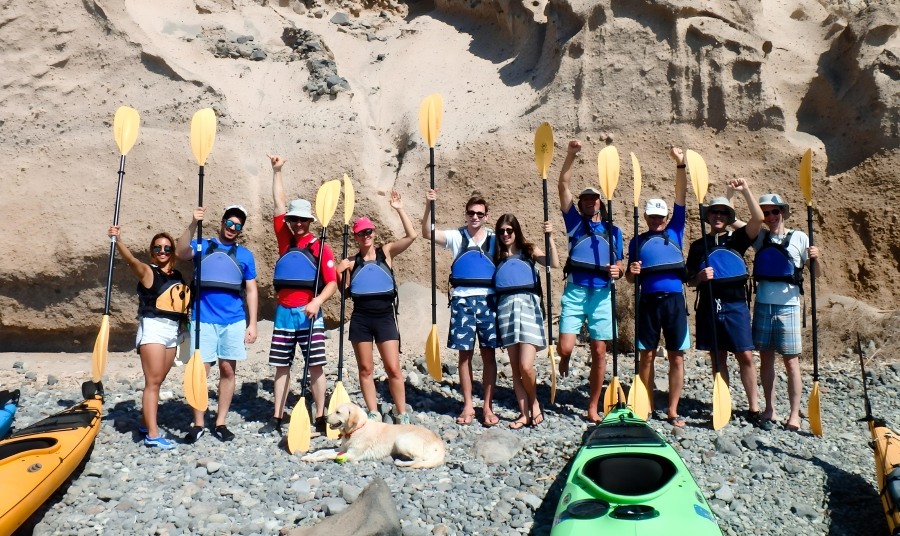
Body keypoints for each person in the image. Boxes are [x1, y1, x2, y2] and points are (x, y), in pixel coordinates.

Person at [258, 155, 338, 437]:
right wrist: (277, 171)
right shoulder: (285, 239)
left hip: (310, 313)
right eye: (295, 220)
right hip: (284, 313)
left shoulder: (321, 247)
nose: (298, 224)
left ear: (309, 222)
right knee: (282, 366)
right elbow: (279, 203)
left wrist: (317, 301)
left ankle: (319, 415)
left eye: (303, 220)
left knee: (315, 365)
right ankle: (278, 415)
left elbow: (332, 283)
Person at [175, 204, 258, 443]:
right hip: (203, 319)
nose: (232, 228)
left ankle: (220, 421)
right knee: (200, 371)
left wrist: (252, 324)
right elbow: (181, 252)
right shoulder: (202, 244)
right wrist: (193, 223)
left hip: (233, 321)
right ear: (222, 222)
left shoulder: (245, 255)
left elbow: (251, 290)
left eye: (237, 225)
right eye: (229, 223)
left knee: (228, 370)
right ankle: (198, 422)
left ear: (241, 229)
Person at [557, 139, 625, 424]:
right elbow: (562, 184)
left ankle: (593, 405)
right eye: (585, 199)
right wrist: (571, 154)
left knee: (599, 351)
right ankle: (563, 358)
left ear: (600, 202)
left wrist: (618, 271)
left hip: (602, 294)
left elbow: (620, 264)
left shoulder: (614, 231)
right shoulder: (574, 222)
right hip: (575, 291)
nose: (588, 201)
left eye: (593, 199)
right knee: (566, 347)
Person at [684, 178, 762, 424]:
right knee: (718, 358)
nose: (717, 216)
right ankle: (723, 404)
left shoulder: (738, 239)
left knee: (745, 355)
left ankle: (754, 408)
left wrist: (745, 191)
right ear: (707, 217)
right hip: (708, 304)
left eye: (722, 212)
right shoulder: (698, 246)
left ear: (728, 217)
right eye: (713, 212)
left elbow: (758, 219)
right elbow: (689, 281)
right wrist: (699, 277)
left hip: (736, 304)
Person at [335, 191, 417, 423]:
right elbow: (345, 293)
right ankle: (373, 411)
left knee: (393, 368)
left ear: (374, 233)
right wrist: (339, 273)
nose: (365, 236)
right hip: (361, 318)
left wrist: (399, 208)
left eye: (368, 231)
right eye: (361, 233)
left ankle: (402, 413)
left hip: (385, 317)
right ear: (356, 237)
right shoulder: (351, 262)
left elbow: (411, 236)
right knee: (365, 369)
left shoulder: (387, 252)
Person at [741, 193, 821, 431]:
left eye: (775, 211)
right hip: (764, 305)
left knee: (791, 361)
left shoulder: (800, 237)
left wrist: (816, 259)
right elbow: (734, 220)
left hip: (790, 306)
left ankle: (794, 414)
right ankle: (770, 409)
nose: (771, 216)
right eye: (766, 213)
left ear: (783, 213)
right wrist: (742, 192)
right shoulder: (760, 237)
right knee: (766, 358)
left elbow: (816, 274)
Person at [422, 190, 499, 426]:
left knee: (488, 354)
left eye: (479, 214)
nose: (475, 217)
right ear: (466, 215)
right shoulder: (457, 236)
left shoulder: (497, 239)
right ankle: (467, 404)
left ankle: (487, 406)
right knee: (464, 355)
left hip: (489, 301)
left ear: (486, 216)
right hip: (462, 301)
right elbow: (427, 232)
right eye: (471, 213)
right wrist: (428, 204)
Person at [624, 147, 690, 427]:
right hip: (648, 302)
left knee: (676, 355)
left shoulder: (675, 230)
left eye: (660, 217)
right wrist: (631, 272)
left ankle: (673, 409)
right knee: (646, 354)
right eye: (652, 217)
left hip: (674, 301)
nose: (657, 221)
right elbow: (629, 279)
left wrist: (680, 165)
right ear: (646, 218)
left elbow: (681, 197)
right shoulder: (636, 242)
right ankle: (646, 403)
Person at [108, 226, 189, 450]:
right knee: (152, 382)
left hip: (173, 330)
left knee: (158, 380)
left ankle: (145, 422)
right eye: (157, 248)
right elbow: (132, 261)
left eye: (167, 248)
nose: (162, 251)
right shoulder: (147, 271)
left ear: (172, 251)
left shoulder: (178, 276)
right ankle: (153, 435)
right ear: (152, 252)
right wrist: (119, 241)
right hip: (153, 329)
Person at [493, 215, 559, 428]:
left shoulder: (529, 251)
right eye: (502, 231)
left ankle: (534, 401)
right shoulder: (496, 255)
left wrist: (550, 238)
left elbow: (554, 263)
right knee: (515, 368)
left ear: (516, 231)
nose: (505, 234)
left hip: (528, 308)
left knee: (525, 366)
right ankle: (523, 414)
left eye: (509, 230)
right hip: (506, 310)